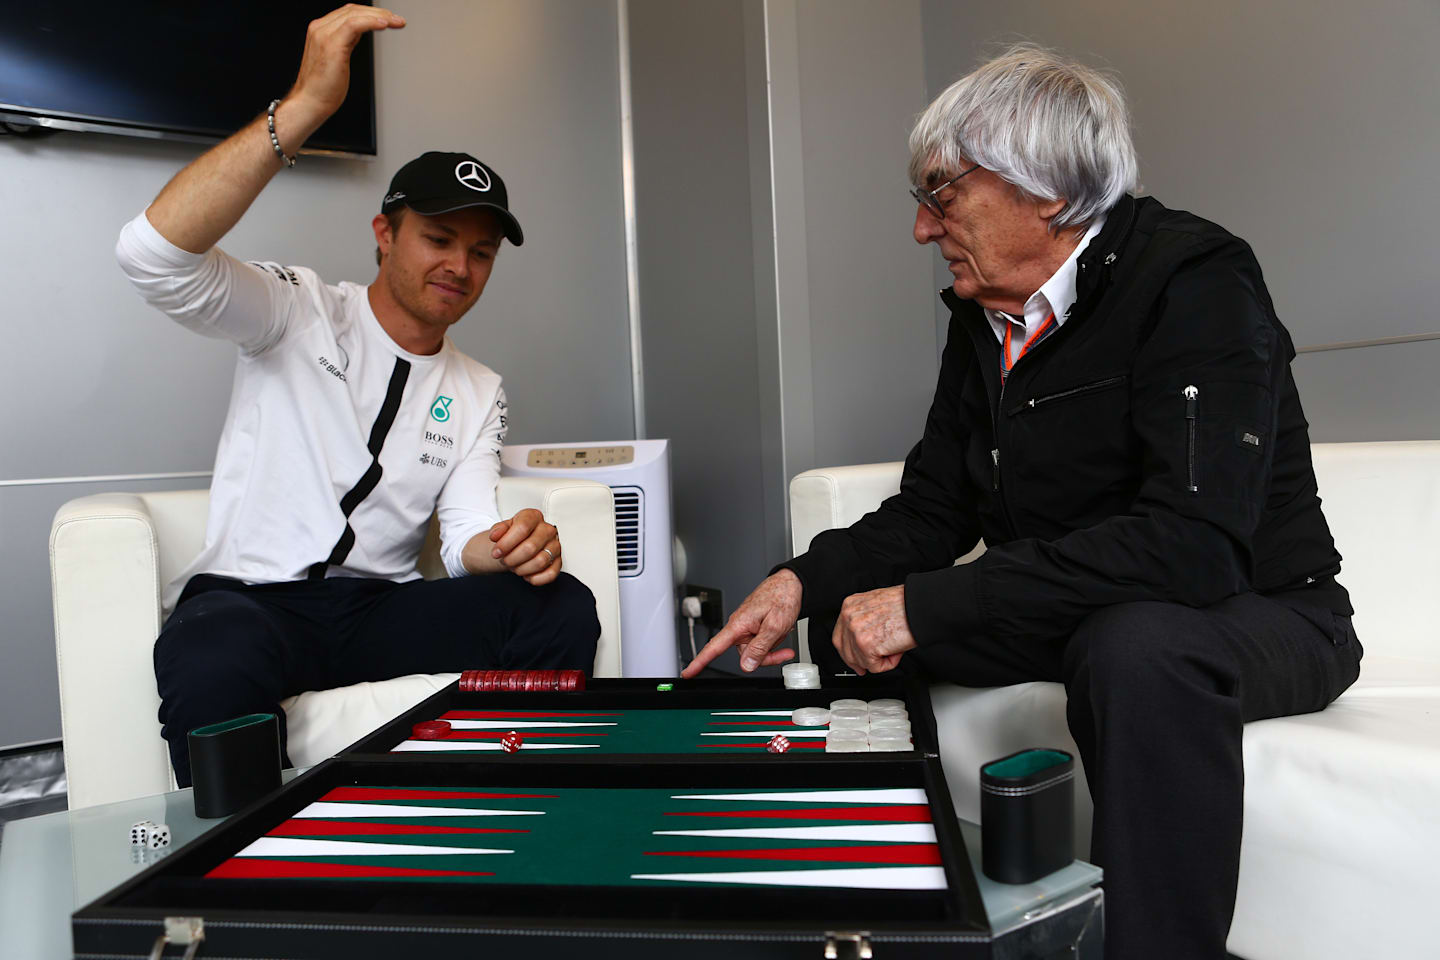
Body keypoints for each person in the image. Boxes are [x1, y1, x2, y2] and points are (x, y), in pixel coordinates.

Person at [683, 45, 1361, 959]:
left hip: (1262, 610)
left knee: (1134, 646)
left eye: (942, 194)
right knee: (849, 623)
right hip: (1083, 605)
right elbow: (933, 510)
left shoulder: (1196, 279)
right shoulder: (985, 319)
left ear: (1045, 189)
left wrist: (926, 605)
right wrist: (801, 583)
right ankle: (883, 920)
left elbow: (1193, 547)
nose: (924, 229)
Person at [117, 5, 599, 787]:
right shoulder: (298, 307)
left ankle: (526, 805)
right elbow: (153, 258)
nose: (460, 267)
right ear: (385, 233)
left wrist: (509, 544)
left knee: (557, 606)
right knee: (213, 649)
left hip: (378, 614)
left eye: (480, 253)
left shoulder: (479, 388)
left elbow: (469, 529)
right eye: (438, 240)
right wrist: (302, 108)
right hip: (253, 601)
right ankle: (252, 872)